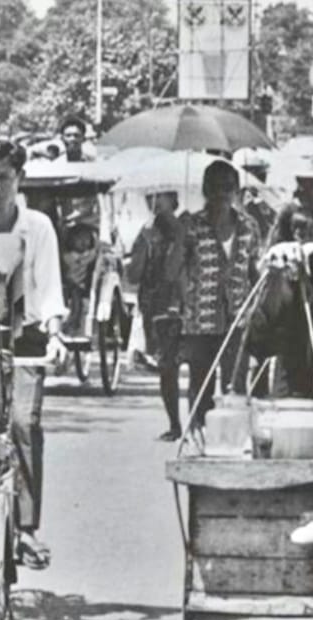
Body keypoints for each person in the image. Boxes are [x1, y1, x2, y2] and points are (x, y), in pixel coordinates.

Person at [0, 135, 67, 570]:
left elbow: (51, 288)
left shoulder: (37, 226)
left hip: (26, 335)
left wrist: (55, 335)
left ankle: (25, 528)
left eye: (4, 177)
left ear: (19, 179)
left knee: (22, 421)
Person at [180, 160, 262, 430]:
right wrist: (178, 237)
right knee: (200, 385)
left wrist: (255, 310)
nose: (221, 194)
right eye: (214, 188)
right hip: (200, 321)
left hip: (237, 321)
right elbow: (172, 273)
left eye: (227, 187)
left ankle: (233, 442)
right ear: (205, 190)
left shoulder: (249, 227)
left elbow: (255, 273)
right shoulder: (192, 225)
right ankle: (198, 438)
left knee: (235, 388)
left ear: (237, 190)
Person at [127, 191, 187, 441]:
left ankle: (199, 422)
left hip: (187, 305)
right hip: (158, 310)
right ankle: (175, 424)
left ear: (174, 200)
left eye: (161, 197)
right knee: (167, 368)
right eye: (151, 198)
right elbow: (133, 275)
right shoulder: (146, 234)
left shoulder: (189, 228)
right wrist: (145, 245)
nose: (156, 202)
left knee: (198, 366)